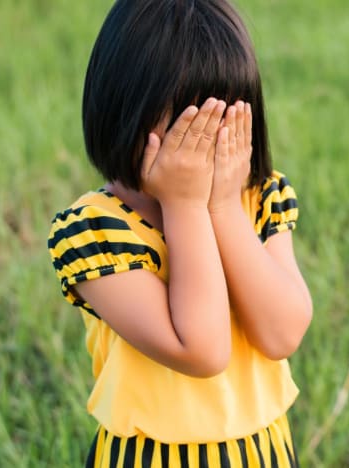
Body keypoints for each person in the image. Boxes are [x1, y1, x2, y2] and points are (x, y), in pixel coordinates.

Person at [46, 1, 313, 466]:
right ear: (123, 111)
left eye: (220, 125)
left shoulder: (257, 199)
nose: (202, 148)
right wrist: (186, 204)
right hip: (152, 456)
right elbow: (201, 350)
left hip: (262, 450)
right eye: (185, 129)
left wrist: (224, 206)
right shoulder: (96, 231)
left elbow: (283, 333)